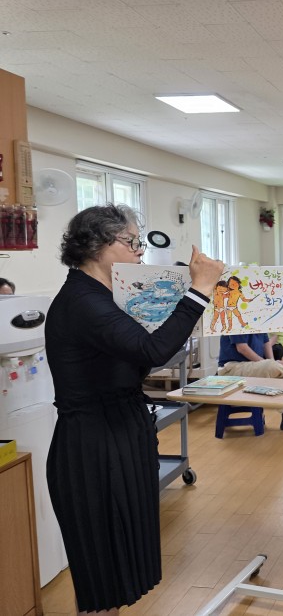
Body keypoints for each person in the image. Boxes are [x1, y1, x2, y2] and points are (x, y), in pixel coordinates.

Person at [45, 205, 225, 614]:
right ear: (96, 245)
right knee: (102, 568)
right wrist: (199, 290)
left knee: (120, 562)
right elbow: (153, 350)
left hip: (120, 431)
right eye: (131, 242)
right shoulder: (82, 301)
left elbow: (137, 360)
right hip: (94, 444)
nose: (139, 252)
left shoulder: (102, 297)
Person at [218, 332, 283, 431]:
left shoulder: (261, 324)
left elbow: (266, 344)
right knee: (273, 366)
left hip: (252, 365)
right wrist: (269, 363)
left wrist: (273, 362)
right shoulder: (238, 323)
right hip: (232, 367)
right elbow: (242, 348)